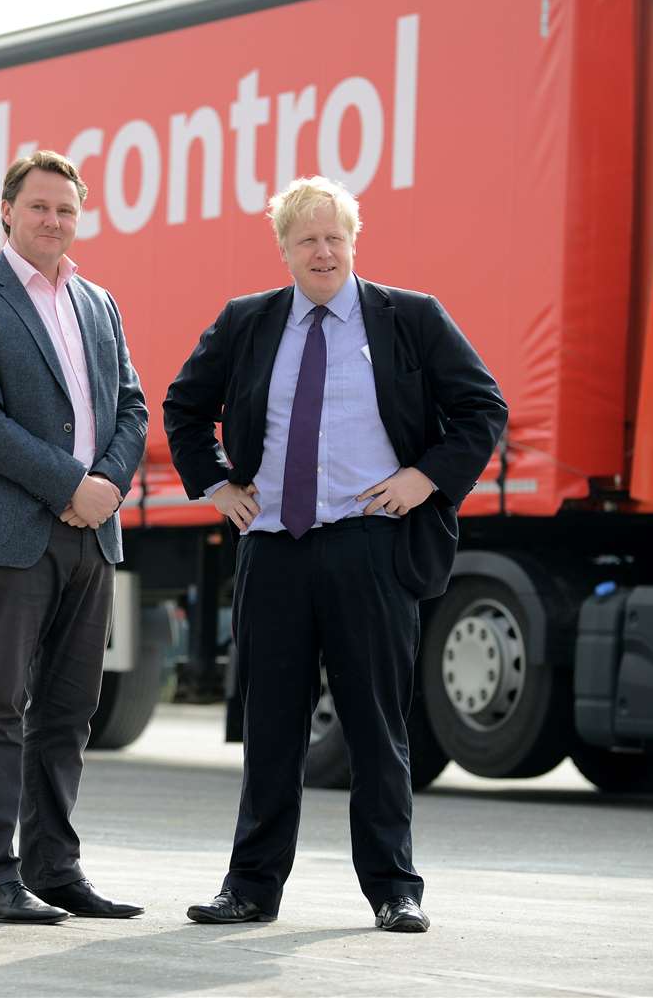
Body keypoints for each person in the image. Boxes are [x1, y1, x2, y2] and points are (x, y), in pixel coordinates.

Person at [163, 176, 507, 933]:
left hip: (369, 549)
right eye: (307, 238)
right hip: (274, 553)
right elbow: (184, 406)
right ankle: (250, 887)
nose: (323, 250)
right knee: (272, 729)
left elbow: (482, 407)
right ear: (283, 248)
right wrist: (216, 486)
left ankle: (394, 889)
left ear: (354, 241)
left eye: (335, 237)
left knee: (376, 726)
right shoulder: (249, 322)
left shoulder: (408, 318)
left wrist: (425, 479)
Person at [0, 150, 148, 924]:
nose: (53, 220)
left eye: (66, 209)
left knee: (67, 712)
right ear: (6, 212)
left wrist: (107, 488)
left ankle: (54, 870)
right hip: (5, 535)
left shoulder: (99, 302)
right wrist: (69, 486)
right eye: (39, 207)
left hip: (92, 535)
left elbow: (132, 407)